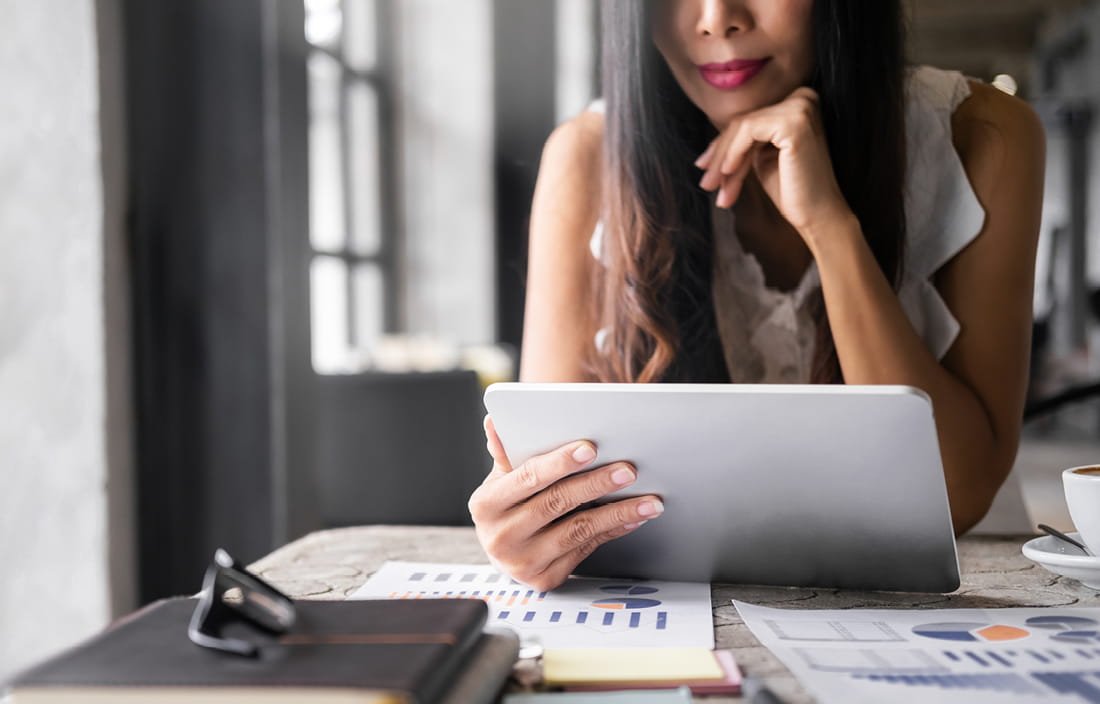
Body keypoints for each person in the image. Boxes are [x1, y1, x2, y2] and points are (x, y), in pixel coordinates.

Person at [468, 0, 1045, 591]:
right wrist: (527, 529)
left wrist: (830, 228)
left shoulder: (982, 135)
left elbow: (957, 499)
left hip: (957, 599)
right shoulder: (588, 156)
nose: (717, 18)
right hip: (690, 605)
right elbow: (552, 490)